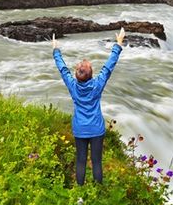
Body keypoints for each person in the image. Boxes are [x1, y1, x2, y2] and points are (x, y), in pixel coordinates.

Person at [52, 28, 125, 185]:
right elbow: (108, 66)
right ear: (92, 74)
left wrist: (56, 50)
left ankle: (80, 194)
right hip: (96, 129)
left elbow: (63, 69)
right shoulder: (97, 84)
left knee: (80, 161)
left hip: (80, 128)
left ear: (77, 75)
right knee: (97, 162)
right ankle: (97, 192)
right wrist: (118, 45)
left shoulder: (72, 85)